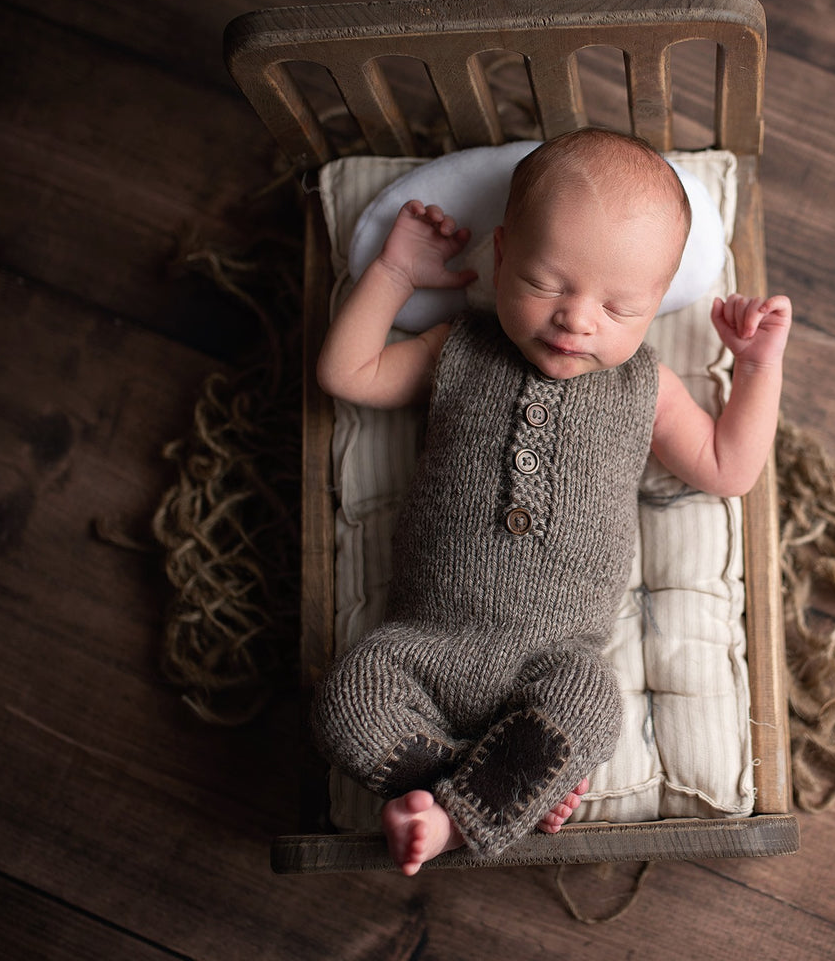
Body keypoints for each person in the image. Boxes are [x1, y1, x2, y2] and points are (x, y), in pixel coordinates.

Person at [313, 127, 792, 874]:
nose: (577, 319)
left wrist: (757, 366)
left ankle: (447, 813)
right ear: (499, 258)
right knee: (347, 700)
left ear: (657, 304)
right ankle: (496, 784)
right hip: (421, 641)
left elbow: (729, 468)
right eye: (545, 284)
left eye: (619, 307)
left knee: (592, 710)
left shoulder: (646, 387)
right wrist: (397, 271)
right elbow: (347, 372)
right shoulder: (457, 347)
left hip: (550, 661)